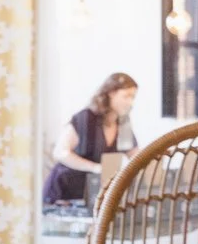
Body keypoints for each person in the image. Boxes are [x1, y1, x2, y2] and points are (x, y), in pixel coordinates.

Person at [45, 72, 139, 205]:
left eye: (133, 97)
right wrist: (95, 168)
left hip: (90, 194)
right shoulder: (85, 118)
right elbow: (60, 152)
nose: (130, 102)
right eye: (126, 96)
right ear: (111, 93)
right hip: (64, 193)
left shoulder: (123, 124)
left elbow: (135, 155)